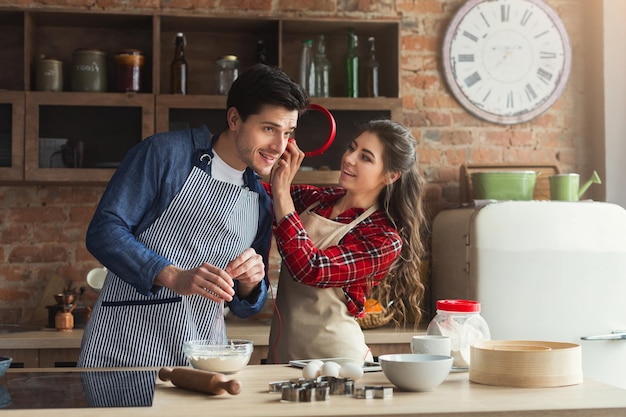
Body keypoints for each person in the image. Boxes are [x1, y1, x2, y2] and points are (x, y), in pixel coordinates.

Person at [78, 64, 310, 367]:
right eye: (269, 129)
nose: (279, 147)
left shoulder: (261, 200)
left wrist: (251, 284)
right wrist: (173, 276)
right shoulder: (165, 154)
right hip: (126, 351)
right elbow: (104, 231)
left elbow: (244, 307)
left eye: (287, 133)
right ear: (235, 119)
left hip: (204, 357)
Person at [266, 119, 426, 364]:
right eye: (352, 148)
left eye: (366, 157)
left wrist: (281, 193)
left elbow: (310, 268)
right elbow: (255, 193)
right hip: (283, 357)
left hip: (340, 364)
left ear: (390, 176)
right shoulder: (319, 199)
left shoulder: (383, 238)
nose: (349, 158)